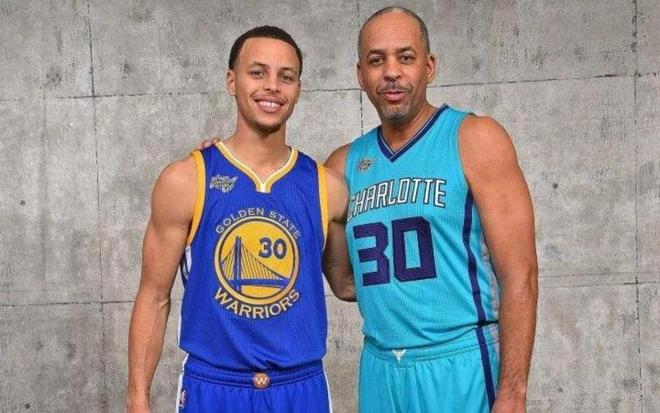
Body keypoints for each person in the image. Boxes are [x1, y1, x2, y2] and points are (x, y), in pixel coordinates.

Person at [198, 7, 538, 413]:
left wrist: (513, 392)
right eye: (376, 60)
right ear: (360, 75)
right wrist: (224, 162)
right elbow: (343, 282)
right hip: (380, 365)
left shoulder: (475, 138)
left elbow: (519, 275)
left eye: (405, 57)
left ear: (429, 67)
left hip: (459, 359)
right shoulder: (343, 165)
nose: (391, 72)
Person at [126, 25, 354, 413]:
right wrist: (137, 398)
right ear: (232, 81)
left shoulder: (328, 187)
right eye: (257, 72)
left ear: (299, 89)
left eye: (286, 76)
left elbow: (348, 285)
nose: (272, 86)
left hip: (300, 389)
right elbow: (154, 295)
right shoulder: (186, 179)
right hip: (213, 387)